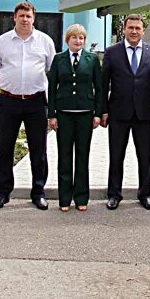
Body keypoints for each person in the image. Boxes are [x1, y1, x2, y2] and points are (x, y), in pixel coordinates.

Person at [0, 1, 57, 211]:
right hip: (9, 102)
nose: (25, 19)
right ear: (14, 18)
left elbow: (53, 71)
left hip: (36, 102)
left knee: (39, 149)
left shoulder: (44, 41)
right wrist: (7, 86)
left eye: (28, 16)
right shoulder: (2, 42)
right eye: (21, 16)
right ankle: (3, 192)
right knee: (4, 148)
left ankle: (38, 192)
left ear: (34, 19)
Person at [102, 13, 150, 210]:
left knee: (145, 156)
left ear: (143, 31)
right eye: (131, 28)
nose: (134, 31)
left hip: (145, 113)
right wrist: (102, 111)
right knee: (116, 155)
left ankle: (145, 193)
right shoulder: (112, 52)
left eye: (138, 28)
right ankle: (114, 194)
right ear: (124, 29)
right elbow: (103, 85)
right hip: (118, 113)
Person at [47, 23, 105, 212]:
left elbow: (100, 87)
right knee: (64, 157)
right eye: (74, 37)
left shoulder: (92, 60)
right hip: (64, 115)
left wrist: (98, 113)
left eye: (81, 38)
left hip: (85, 115)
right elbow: (52, 87)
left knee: (82, 156)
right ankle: (64, 198)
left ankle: (81, 197)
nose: (78, 41)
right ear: (68, 40)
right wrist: (52, 115)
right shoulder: (58, 59)